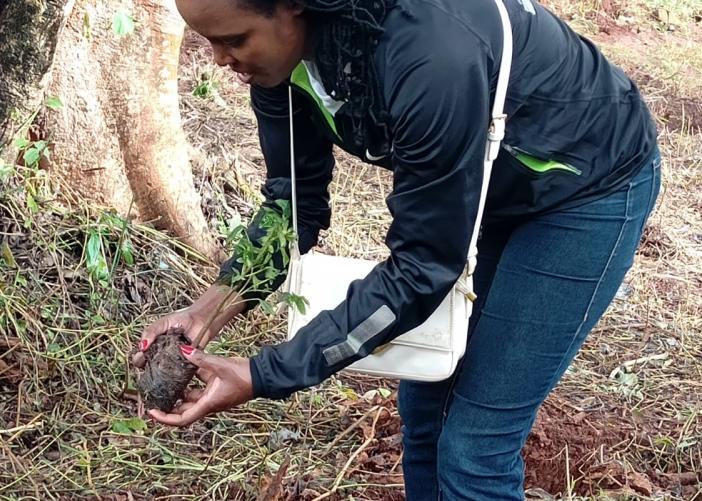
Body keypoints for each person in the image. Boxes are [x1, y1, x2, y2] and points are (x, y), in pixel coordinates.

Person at [135, 0, 661, 498]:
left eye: (233, 39)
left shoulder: (432, 56)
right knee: (425, 410)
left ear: (295, 5)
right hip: (480, 192)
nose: (220, 60)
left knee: (475, 445)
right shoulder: (279, 64)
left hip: (587, 189)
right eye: (209, 41)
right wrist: (210, 310)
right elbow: (294, 208)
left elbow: (422, 267)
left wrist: (264, 373)